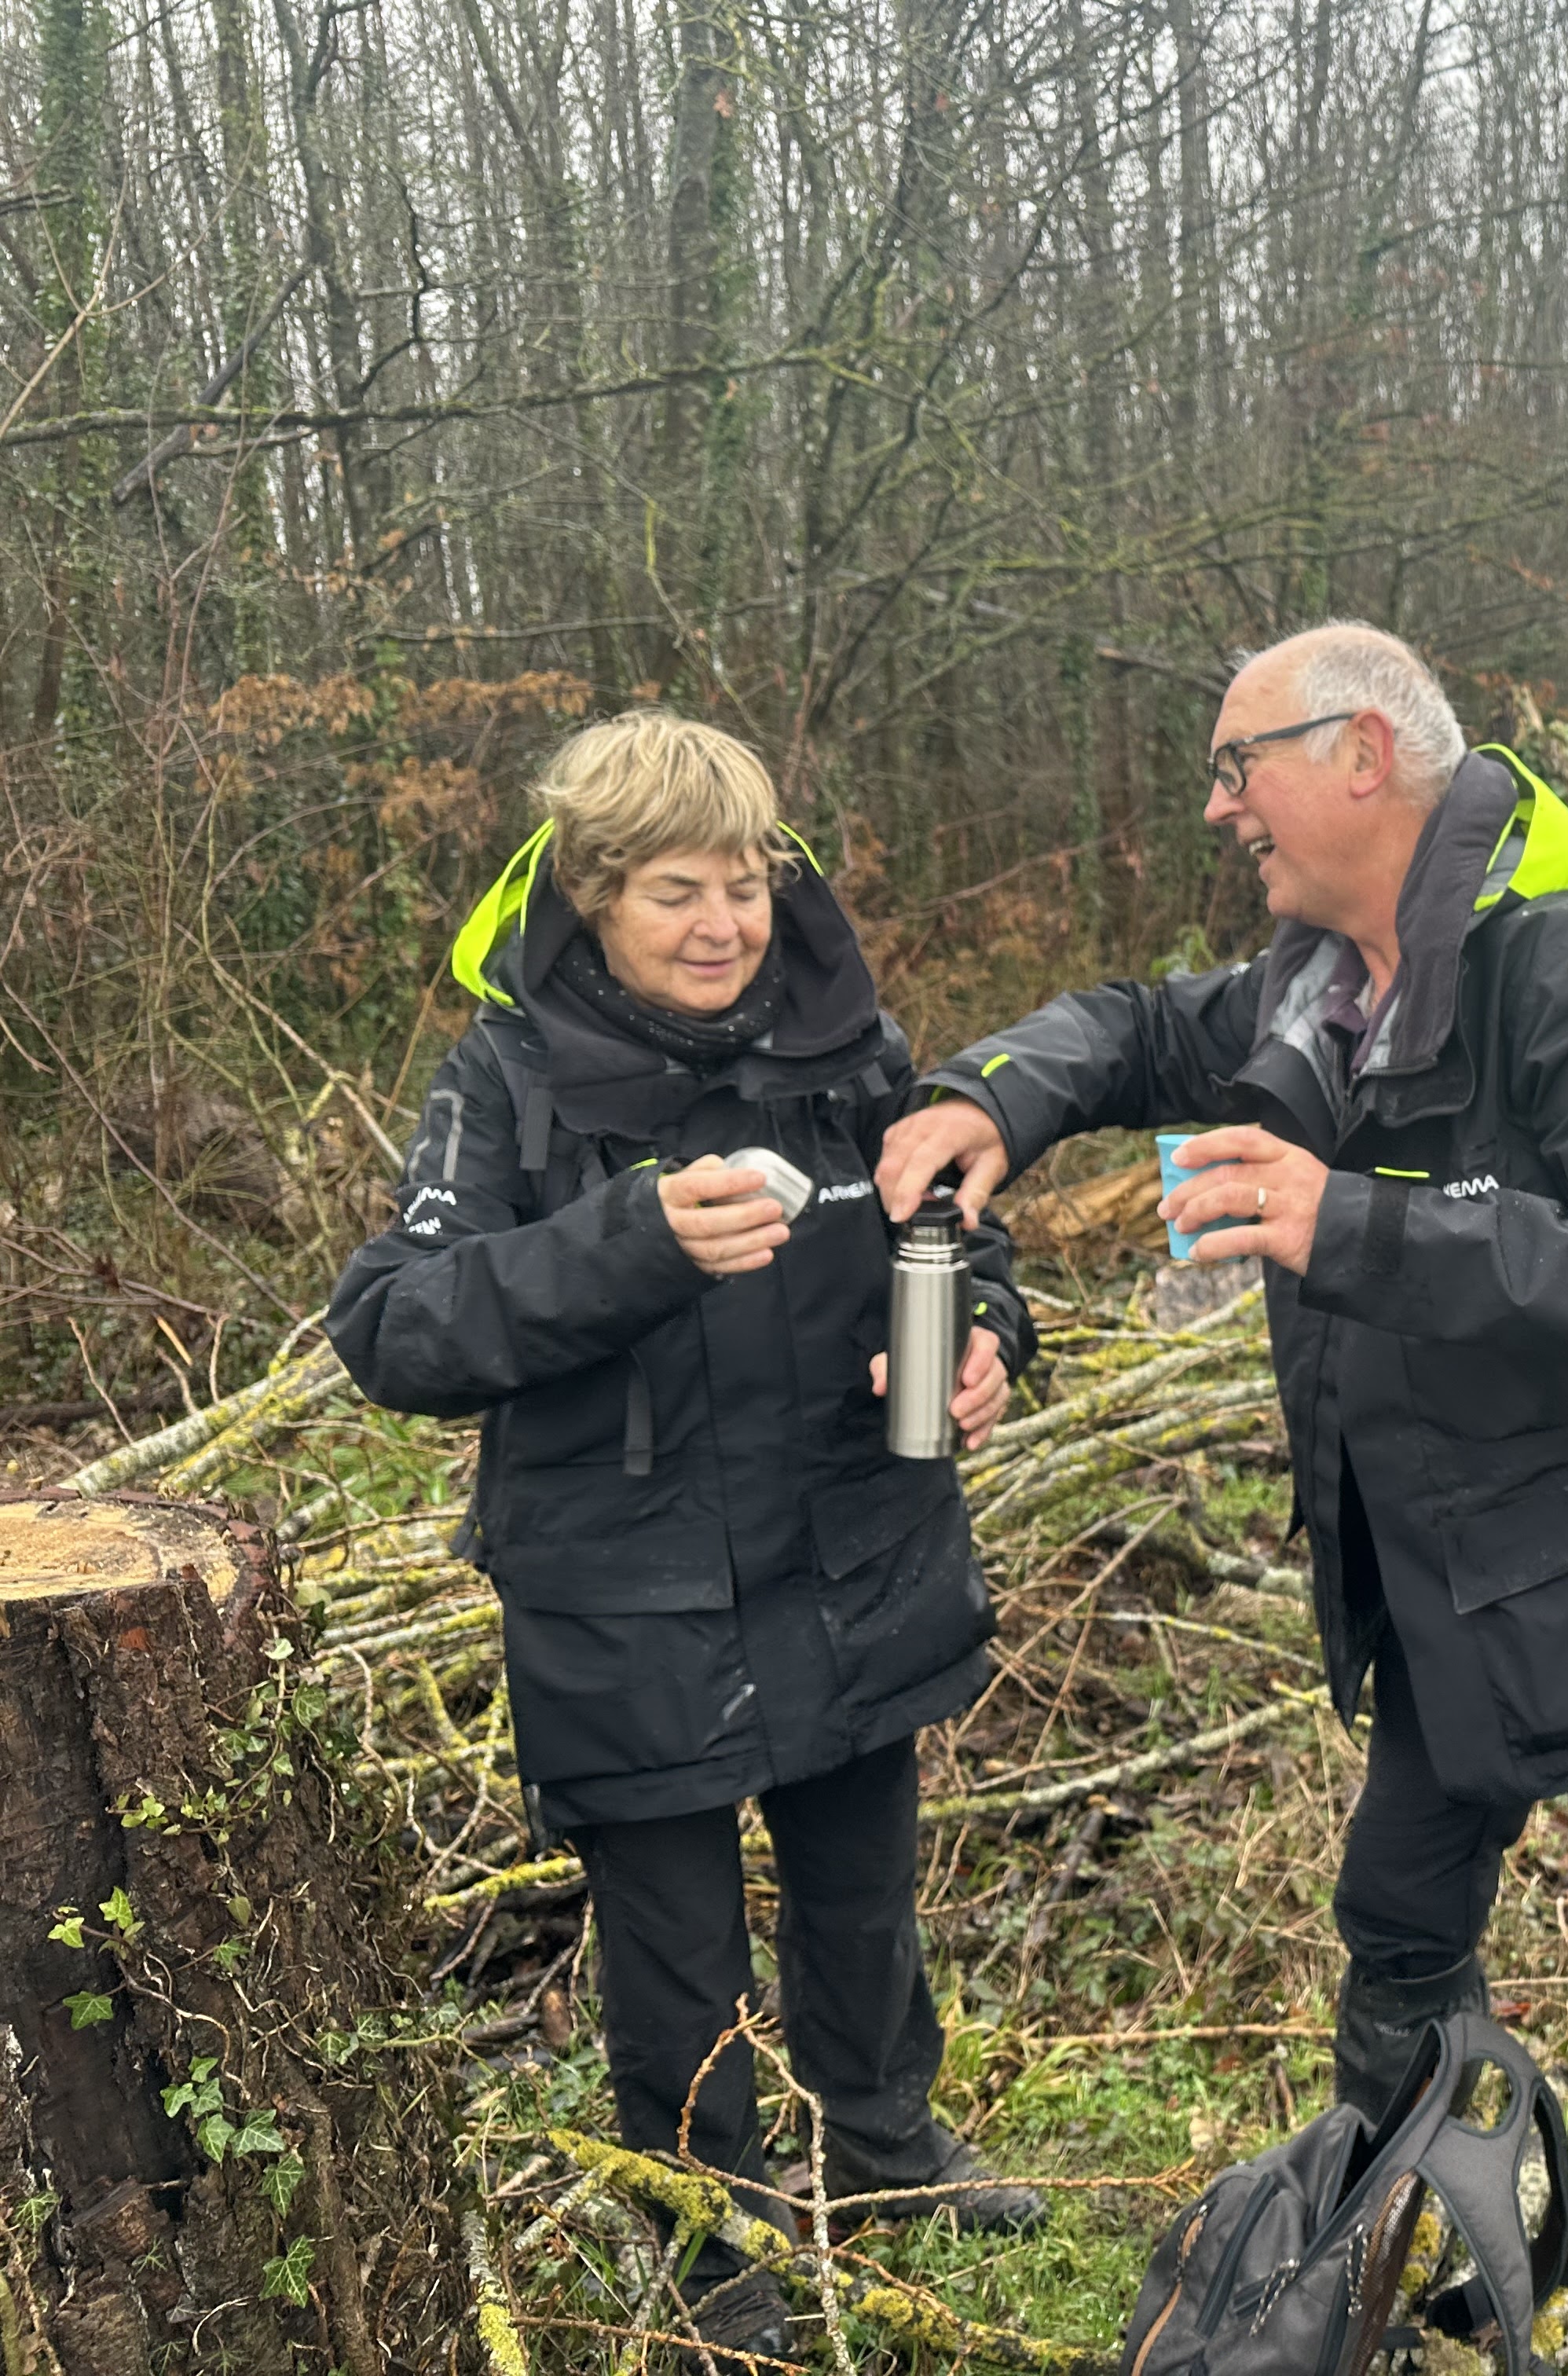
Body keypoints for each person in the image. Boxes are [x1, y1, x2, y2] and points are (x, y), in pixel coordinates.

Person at [874, 622, 1568, 2376]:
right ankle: (1420, 2227)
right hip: (1445, 1577)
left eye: (1237, 765)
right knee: (1399, 1931)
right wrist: (995, 1095)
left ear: (1361, 756)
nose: (1218, 806)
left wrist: (1356, 1224)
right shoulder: (1319, 973)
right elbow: (1136, 1027)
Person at [327, 713, 1044, 2370]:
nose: (722, 925)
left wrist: (988, 1329)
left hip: (856, 1555)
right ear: (594, 895)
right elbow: (393, 1329)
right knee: (675, 1952)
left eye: (744, 884)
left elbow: (963, 1227)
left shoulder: (853, 1052)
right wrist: (627, 1239)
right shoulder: (509, 1078)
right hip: (626, 1597)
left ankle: (885, 2152)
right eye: (674, 892)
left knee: (862, 1897)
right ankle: (716, 2238)